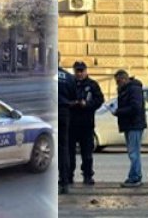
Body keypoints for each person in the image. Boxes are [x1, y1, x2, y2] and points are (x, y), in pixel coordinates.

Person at [70, 61, 104, 185]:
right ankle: (68, 175)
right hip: (71, 124)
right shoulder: (70, 83)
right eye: (77, 71)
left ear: (85, 71)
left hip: (86, 124)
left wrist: (88, 104)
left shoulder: (92, 85)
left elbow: (99, 100)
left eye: (81, 71)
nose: (79, 73)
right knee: (69, 153)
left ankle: (88, 175)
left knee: (87, 153)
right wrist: (71, 104)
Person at [112, 69, 146, 188]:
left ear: (124, 79)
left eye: (118, 81)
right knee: (133, 152)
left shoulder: (133, 89)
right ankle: (135, 176)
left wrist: (119, 112)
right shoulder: (128, 89)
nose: (117, 84)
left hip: (134, 124)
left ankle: (135, 177)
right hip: (131, 124)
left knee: (133, 152)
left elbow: (135, 107)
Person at [57, 60, 77, 195]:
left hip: (48, 112)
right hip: (64, 112)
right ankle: (64, 182)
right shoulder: (68, 77)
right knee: (63, 148)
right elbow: (74, 96)